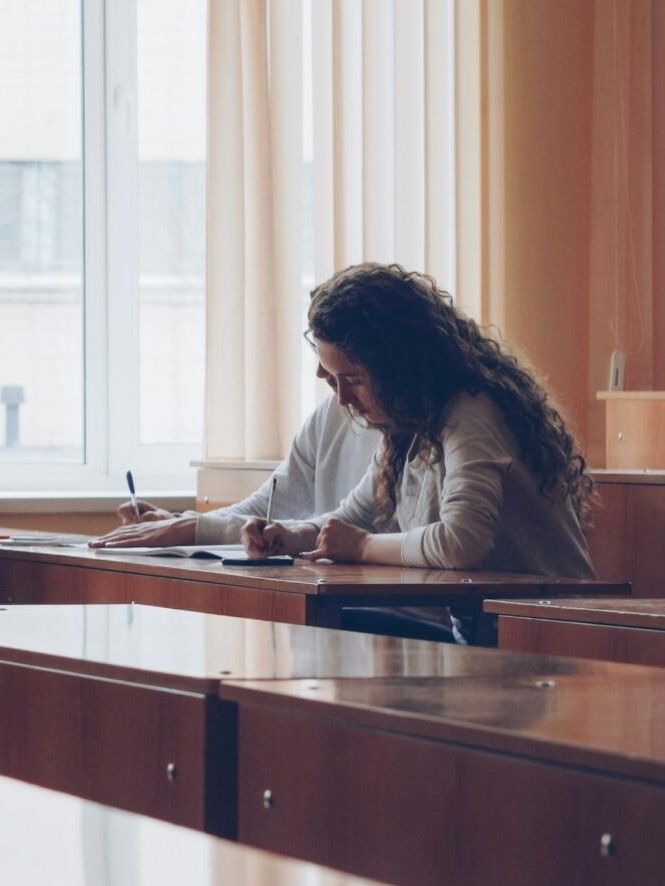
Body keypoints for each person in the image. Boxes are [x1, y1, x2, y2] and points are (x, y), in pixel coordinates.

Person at [241, 263, 595, 638]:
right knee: (318, 631)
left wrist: (361, 547)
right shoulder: (408, 424)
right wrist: (291, 537)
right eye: (334, 382)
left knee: (339, 639)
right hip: (488, 631)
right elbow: (354, 517)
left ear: (399, 368)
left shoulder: (472, 411)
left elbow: (462, 542)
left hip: (552, 633)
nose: (344, 399)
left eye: (355, 380)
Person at [96, 396, 380, 548]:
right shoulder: (333, 410)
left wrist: (197, 529)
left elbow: (360, 529)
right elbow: (269, 507)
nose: (321, 372)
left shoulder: (402, 427)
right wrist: (181, 523)